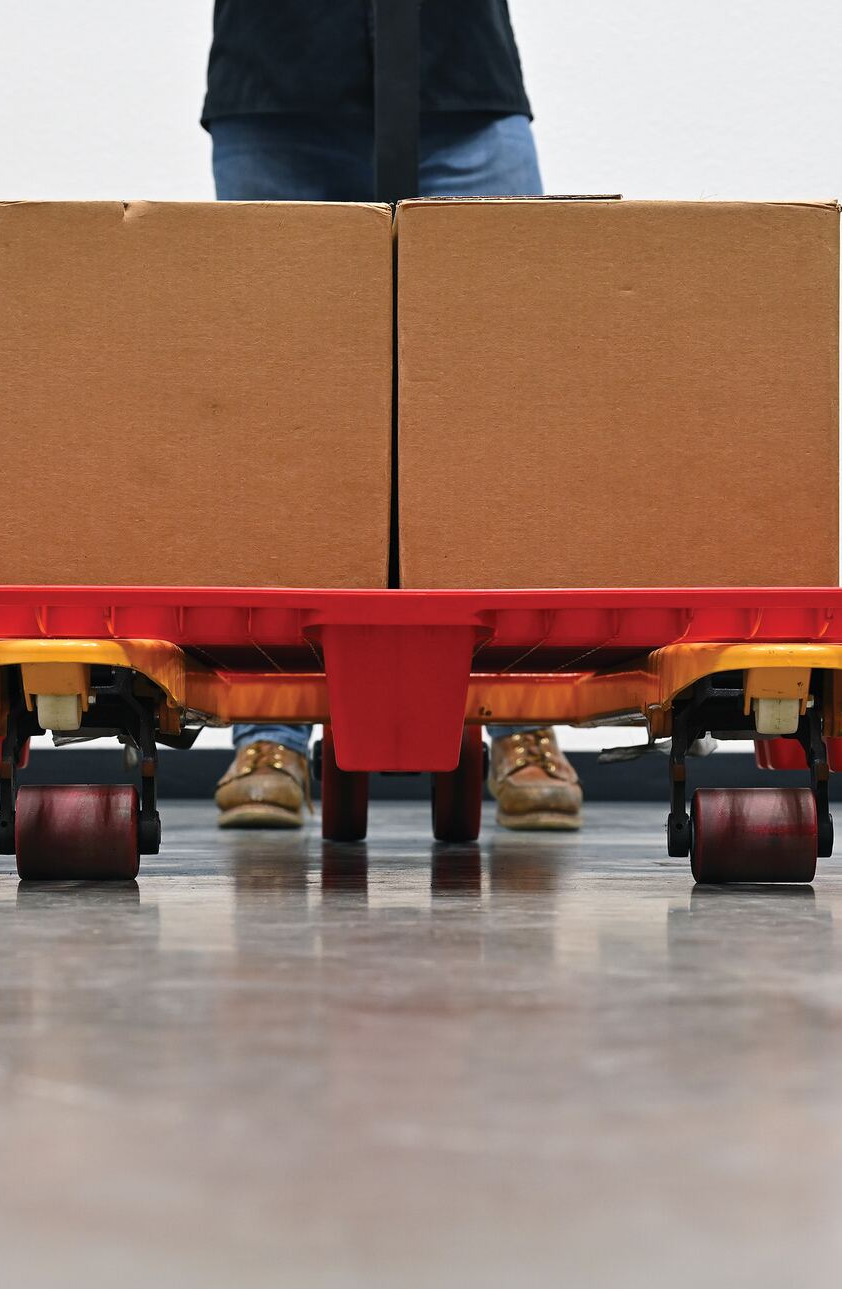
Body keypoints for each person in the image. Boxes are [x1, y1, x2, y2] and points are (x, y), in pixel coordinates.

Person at [204, 0, 583, 835]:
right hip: (279, 84)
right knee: (283, 418)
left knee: (496, 410)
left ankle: (522, 720)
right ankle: (270, 733)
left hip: (461, 79)